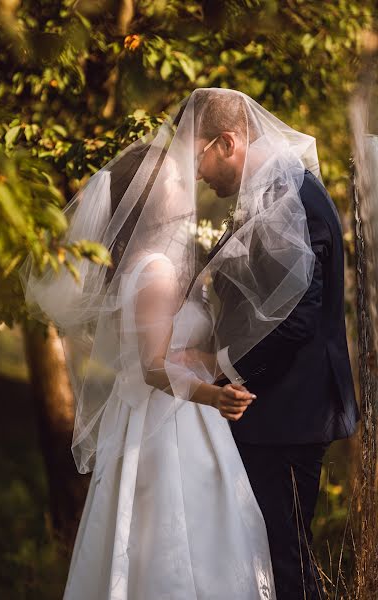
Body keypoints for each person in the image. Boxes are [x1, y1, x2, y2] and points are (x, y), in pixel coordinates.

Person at [19, 88, 323, 599]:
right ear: (151, 201)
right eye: (177, 180)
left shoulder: (157, 267)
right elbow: (156, 367)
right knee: (179, 546)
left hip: (173, 420)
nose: (190, 180)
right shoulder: (156, 271)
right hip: (174, 427)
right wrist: (213, 393)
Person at [194, 91, 360, 598]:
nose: (199, 175)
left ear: (227, 142)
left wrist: (222, 370)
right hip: (283, 409)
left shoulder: (289, 196)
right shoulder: (279, 188)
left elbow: (298, 318)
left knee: (286, 563)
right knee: (272, 557)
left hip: (290, 410)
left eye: (198, 157)